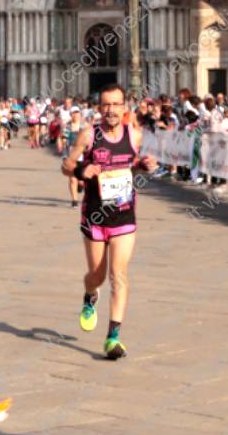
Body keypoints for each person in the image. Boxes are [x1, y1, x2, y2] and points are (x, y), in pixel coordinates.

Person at [62, 84, 158, 360]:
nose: (111, 110)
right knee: (97, 275)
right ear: (99, 107)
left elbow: (133, 161)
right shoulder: (88, 135)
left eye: (116, 104)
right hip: (94, 214)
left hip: (124, 214)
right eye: (106, 104)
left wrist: (143, 165)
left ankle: (113, 337)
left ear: (124, 107)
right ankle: (90, 295)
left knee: (120, 275)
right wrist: (82, 169)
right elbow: (65, 165)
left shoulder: (135, 134)